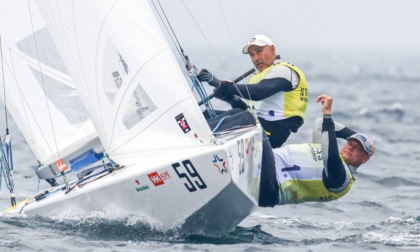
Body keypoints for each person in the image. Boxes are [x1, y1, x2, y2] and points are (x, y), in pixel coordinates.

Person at [257, 94, 375, 207]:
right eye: (350, 143)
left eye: (358, 148)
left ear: (365, 159)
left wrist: (327, 114)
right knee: (240, 109)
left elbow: (331, 158)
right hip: (267, 169)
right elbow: (320, 124)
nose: (351, 147)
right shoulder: (324, 151)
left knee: (251, 122)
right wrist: (359, 136)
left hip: (272, 182)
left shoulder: (342, 178)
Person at [198, 34, 308, 148]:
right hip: (259, 125)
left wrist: (219, 83)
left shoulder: (283, 70)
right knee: (207, 115)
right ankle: (192, 134)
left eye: (259, 51)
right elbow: (248, 110)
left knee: (246, 118)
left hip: (274, 133)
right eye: (252, 55)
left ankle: (197, 137)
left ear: (272, 49)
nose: (255, 58)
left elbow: (257, 93)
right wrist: (231, 99)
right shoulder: (260, 76)